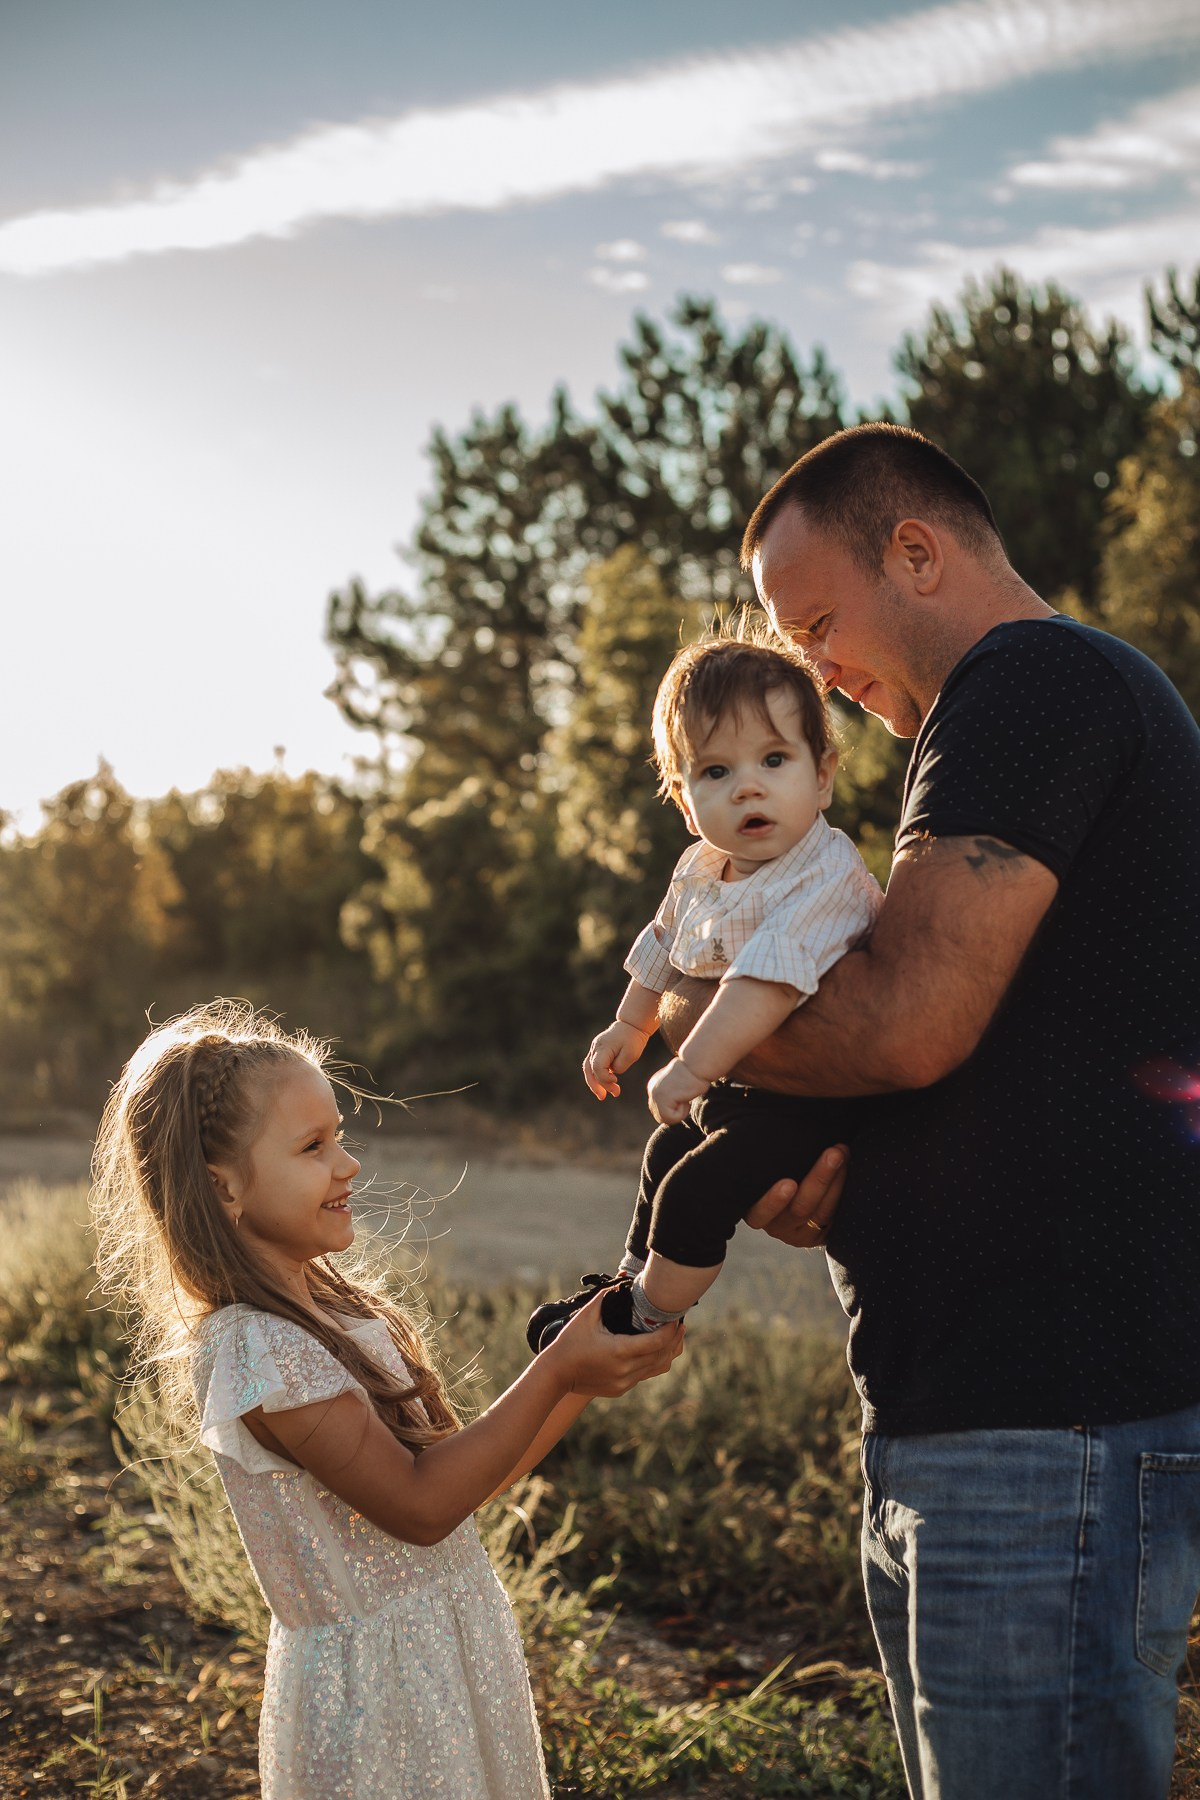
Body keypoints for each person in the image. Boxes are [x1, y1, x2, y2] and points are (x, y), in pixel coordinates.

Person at [664, 421, 1200, 1800]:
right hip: (972, 1414)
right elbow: (970, 1058)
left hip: (1045, 1430)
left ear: (919, 550)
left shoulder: (1029, 681)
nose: (813, 673)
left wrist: (686, 1029)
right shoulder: (1010, 716)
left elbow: (905, 1024)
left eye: (820, 623)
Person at [90, 1000, 683, 1800]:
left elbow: (460, 1484)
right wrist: (553, 1375)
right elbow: (418, 1508)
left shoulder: (334, 1313)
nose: (348, 1166)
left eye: (340, 1135)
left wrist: (581, 1374)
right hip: (375, 1704)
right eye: (313, 1146)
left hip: (446, 1652)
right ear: (221, 1186)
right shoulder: (253, 1348)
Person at [526, 634, 880, 1349]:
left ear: (823, 777)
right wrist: (629, 1026)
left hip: (814, 1104)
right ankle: (628, 1284)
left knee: (697, 1190)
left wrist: (692, 1067)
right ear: (687, 804)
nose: (748, 786)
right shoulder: (700, 868)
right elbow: (664, 942)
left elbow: (765, 986)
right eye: (716, 771)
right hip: (745, 1091)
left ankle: (647, 1322)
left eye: (774, 760)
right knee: (666, 1153)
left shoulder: (824, 874)